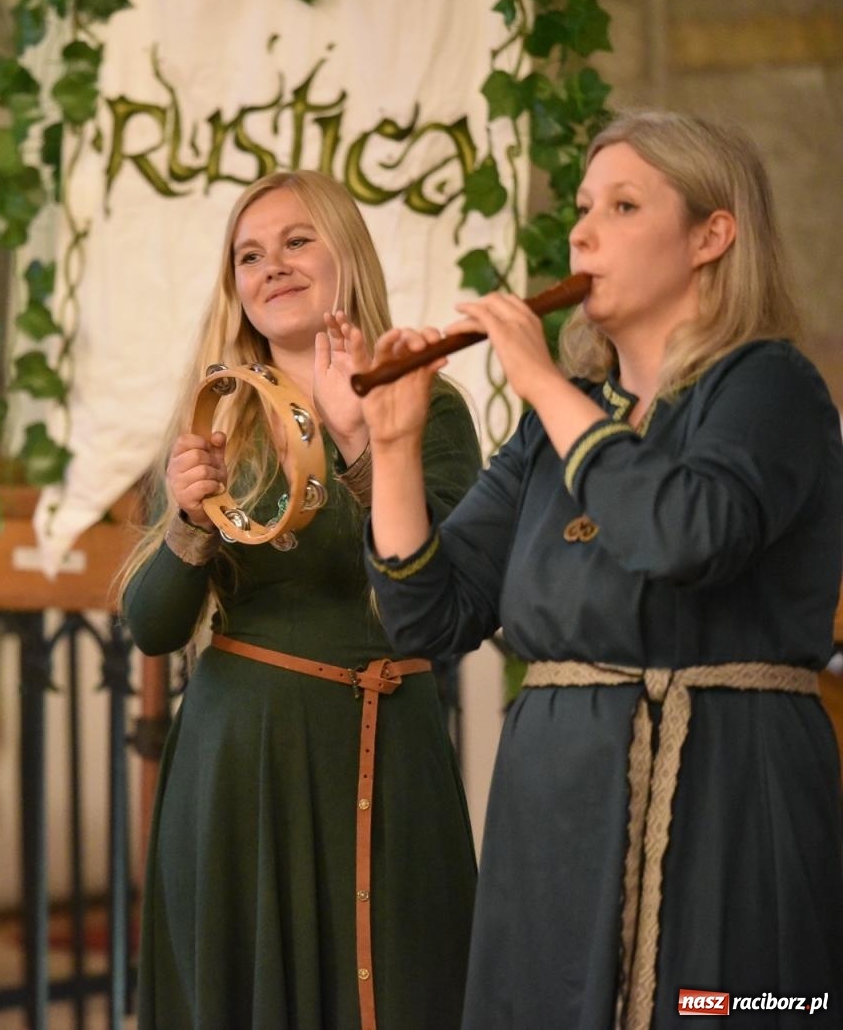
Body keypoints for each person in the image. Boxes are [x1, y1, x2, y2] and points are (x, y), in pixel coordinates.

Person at [360, 109, 843, 1026]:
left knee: (727, 1007)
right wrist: (393, 449)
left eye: (623, 206)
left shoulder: (770, 385)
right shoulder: (563, 420)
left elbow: (688, 532)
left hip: (731, 794)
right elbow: (429, 617)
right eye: (583, 207)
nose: (581, 232)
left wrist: (538, 381)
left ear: (712, 235)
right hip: (558, 804)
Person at [118, 169, 481, 1029]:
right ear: (235, 288)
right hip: (239, 760)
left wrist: (364, 449)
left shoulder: (426, 405)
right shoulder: (214, 422)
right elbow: (153, 626)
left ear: (345, 256)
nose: (271, 266)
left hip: (384, 751)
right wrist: (186, 522)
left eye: (295, 241)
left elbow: (440, 596)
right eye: (249, 255)